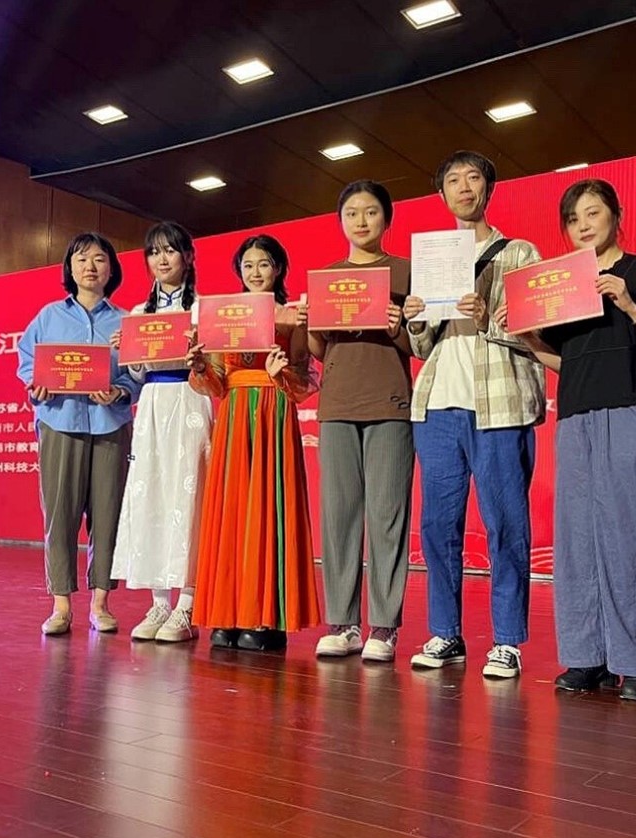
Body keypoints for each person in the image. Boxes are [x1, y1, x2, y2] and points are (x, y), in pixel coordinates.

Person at [506, 179, 636, 703]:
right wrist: (528, 338)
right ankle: (588, 659)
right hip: (575, 419)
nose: (583, 225)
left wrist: (629, 304)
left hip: (629, 412)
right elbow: (568, 363)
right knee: (577, 542)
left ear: (615, 215)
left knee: (626, 540)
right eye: (573, 218)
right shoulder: (566, 287)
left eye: (592, 213)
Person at [402, 150, 546, 678]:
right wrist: (415, 319)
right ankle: (446, 632)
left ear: (489, 188)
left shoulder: (519, 252)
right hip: (438, 403)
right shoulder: (433, 257)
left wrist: (489, 320)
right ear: (441, 194)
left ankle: (507, 640)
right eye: (453, 181)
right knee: (438, 524)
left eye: (473, 178)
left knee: (506, 522)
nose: (464, 187)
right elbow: (422, 348)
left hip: (499, 405)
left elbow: (539, 331)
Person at [187, 234, 322, 651]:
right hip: (232, 417)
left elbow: (304, 382)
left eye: (264, 264)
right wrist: (199, 365)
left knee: (269, 507)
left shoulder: (292, 317)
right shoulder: (222, 315)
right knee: (232, 511)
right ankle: (226, 614)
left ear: (278, 268)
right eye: (248, 265)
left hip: (272, 414)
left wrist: (282, 373)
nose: (256, 272)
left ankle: (267, 619)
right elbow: (214, 383)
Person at [308, 180, 413, 663]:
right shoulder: (327, 278)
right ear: (340, 221)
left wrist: (397, 326)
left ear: (386, 218)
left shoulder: (405, 271)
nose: (361, 221)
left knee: (388, 515)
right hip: (337, 406)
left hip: (389, 404)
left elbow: (420, 344)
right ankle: (343, 623)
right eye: (351, 213)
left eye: (370, 212)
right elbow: (319, 349)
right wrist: (311, 324)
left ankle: (384, 626)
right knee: (339, 516)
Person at [16, 233, 139, 636]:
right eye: (82, 259)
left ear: (111, 269)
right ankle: (61, 605)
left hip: (110, 424)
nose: (90, 266)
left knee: (108, 515)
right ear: (69, 267)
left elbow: (137, 374)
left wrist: (120, 391)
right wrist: (36, 384)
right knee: (60, 514)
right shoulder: (48, 317)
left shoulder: (125, 321)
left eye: (100, 259)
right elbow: (27, 363)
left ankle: (101, 604)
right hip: (59, 422)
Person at [111, 222, 213, 643]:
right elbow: (138, 374)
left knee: (189, 497)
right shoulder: (138, 313)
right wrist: (128, 351)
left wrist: (199, 355)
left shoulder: (203, 309)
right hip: (152, 405)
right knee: (151, 494)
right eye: (154, 252)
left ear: (188, 256)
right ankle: (158, 603)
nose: (162, 259)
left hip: (190, 400)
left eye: (170, 250)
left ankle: (187, 605)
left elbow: (215, 368)